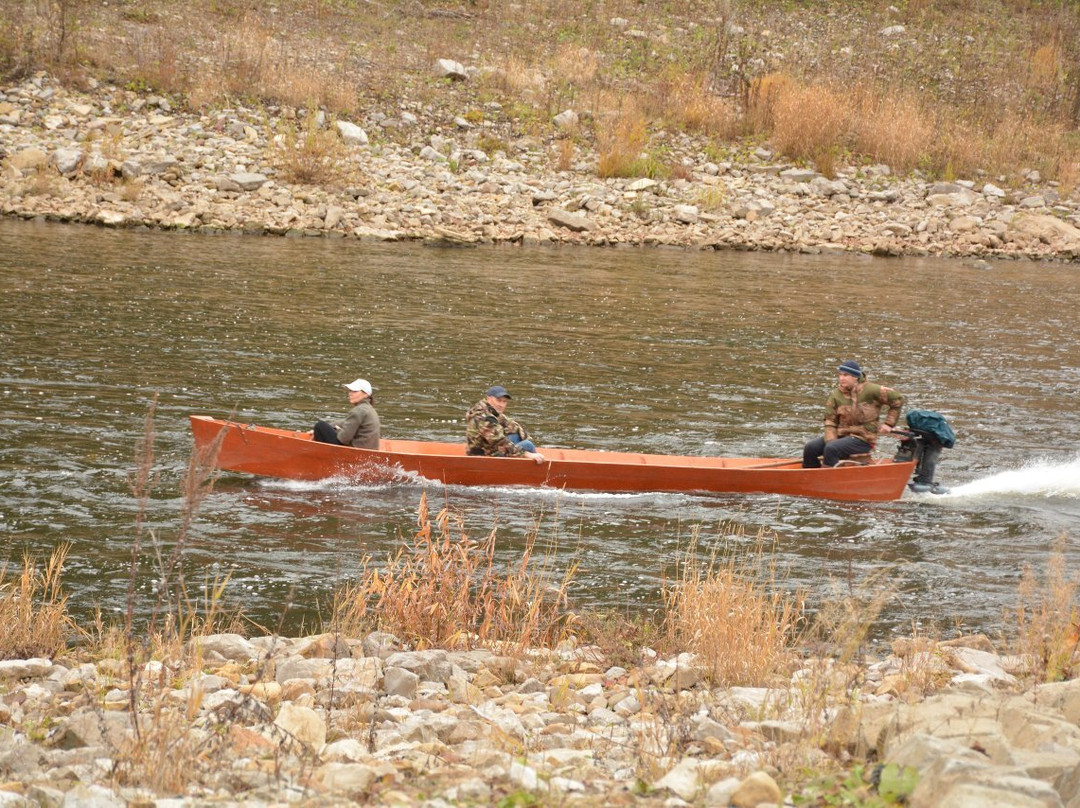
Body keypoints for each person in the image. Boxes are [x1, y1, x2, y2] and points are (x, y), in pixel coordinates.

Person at [802, 360, 903, 468]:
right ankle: (809, 477)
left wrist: (888, 424)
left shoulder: (871, 390)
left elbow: (897, 399)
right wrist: (831, 441)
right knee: (810, 448)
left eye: (846, 375)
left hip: (863, 438)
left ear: (855, 377)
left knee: (831, 449)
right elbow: (830, 421)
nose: (841, 378)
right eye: (840, 375)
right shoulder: (836, 395)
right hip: (841, 435)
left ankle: (831, 480)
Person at [465, 385, 545, 464]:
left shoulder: (491, 411)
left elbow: (513, 426)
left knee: (517, 436)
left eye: (504, 401)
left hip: (489, 449)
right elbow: (499, 442)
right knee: (527, 445)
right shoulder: (483, 417)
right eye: (498, 400)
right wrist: (527, 454)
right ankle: (538, 471)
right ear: (489, 398)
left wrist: (525, 437)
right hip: (482, 458)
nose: (501, 405)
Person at [312, 378, 381, 449]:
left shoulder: (359, 410)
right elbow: (346, 422)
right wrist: (331, 426)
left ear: (366, 394)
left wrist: (336, 430)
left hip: (356, 451)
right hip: (367, 450)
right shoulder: (369, 409)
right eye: (350, 391)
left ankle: (319, 454)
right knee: (325, 427)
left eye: (354, 391)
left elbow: (343, 439)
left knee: (320, 426)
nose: (350, 393)